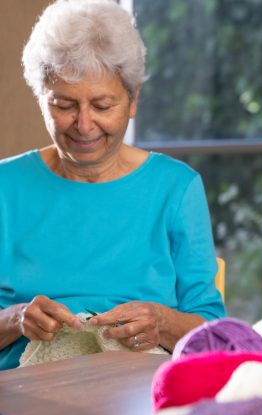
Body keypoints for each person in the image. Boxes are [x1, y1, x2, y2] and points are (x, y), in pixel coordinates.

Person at [0, 0, 225, 369]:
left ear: (133, 100)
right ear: (41, 99)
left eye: (102, 105)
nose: (84, 124)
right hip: (25, 390)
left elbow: (214, 332)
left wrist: (162, 323)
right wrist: (16, 319)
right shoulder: (5, 187)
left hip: (139, 386)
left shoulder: (176, 187)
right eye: (64, 105)